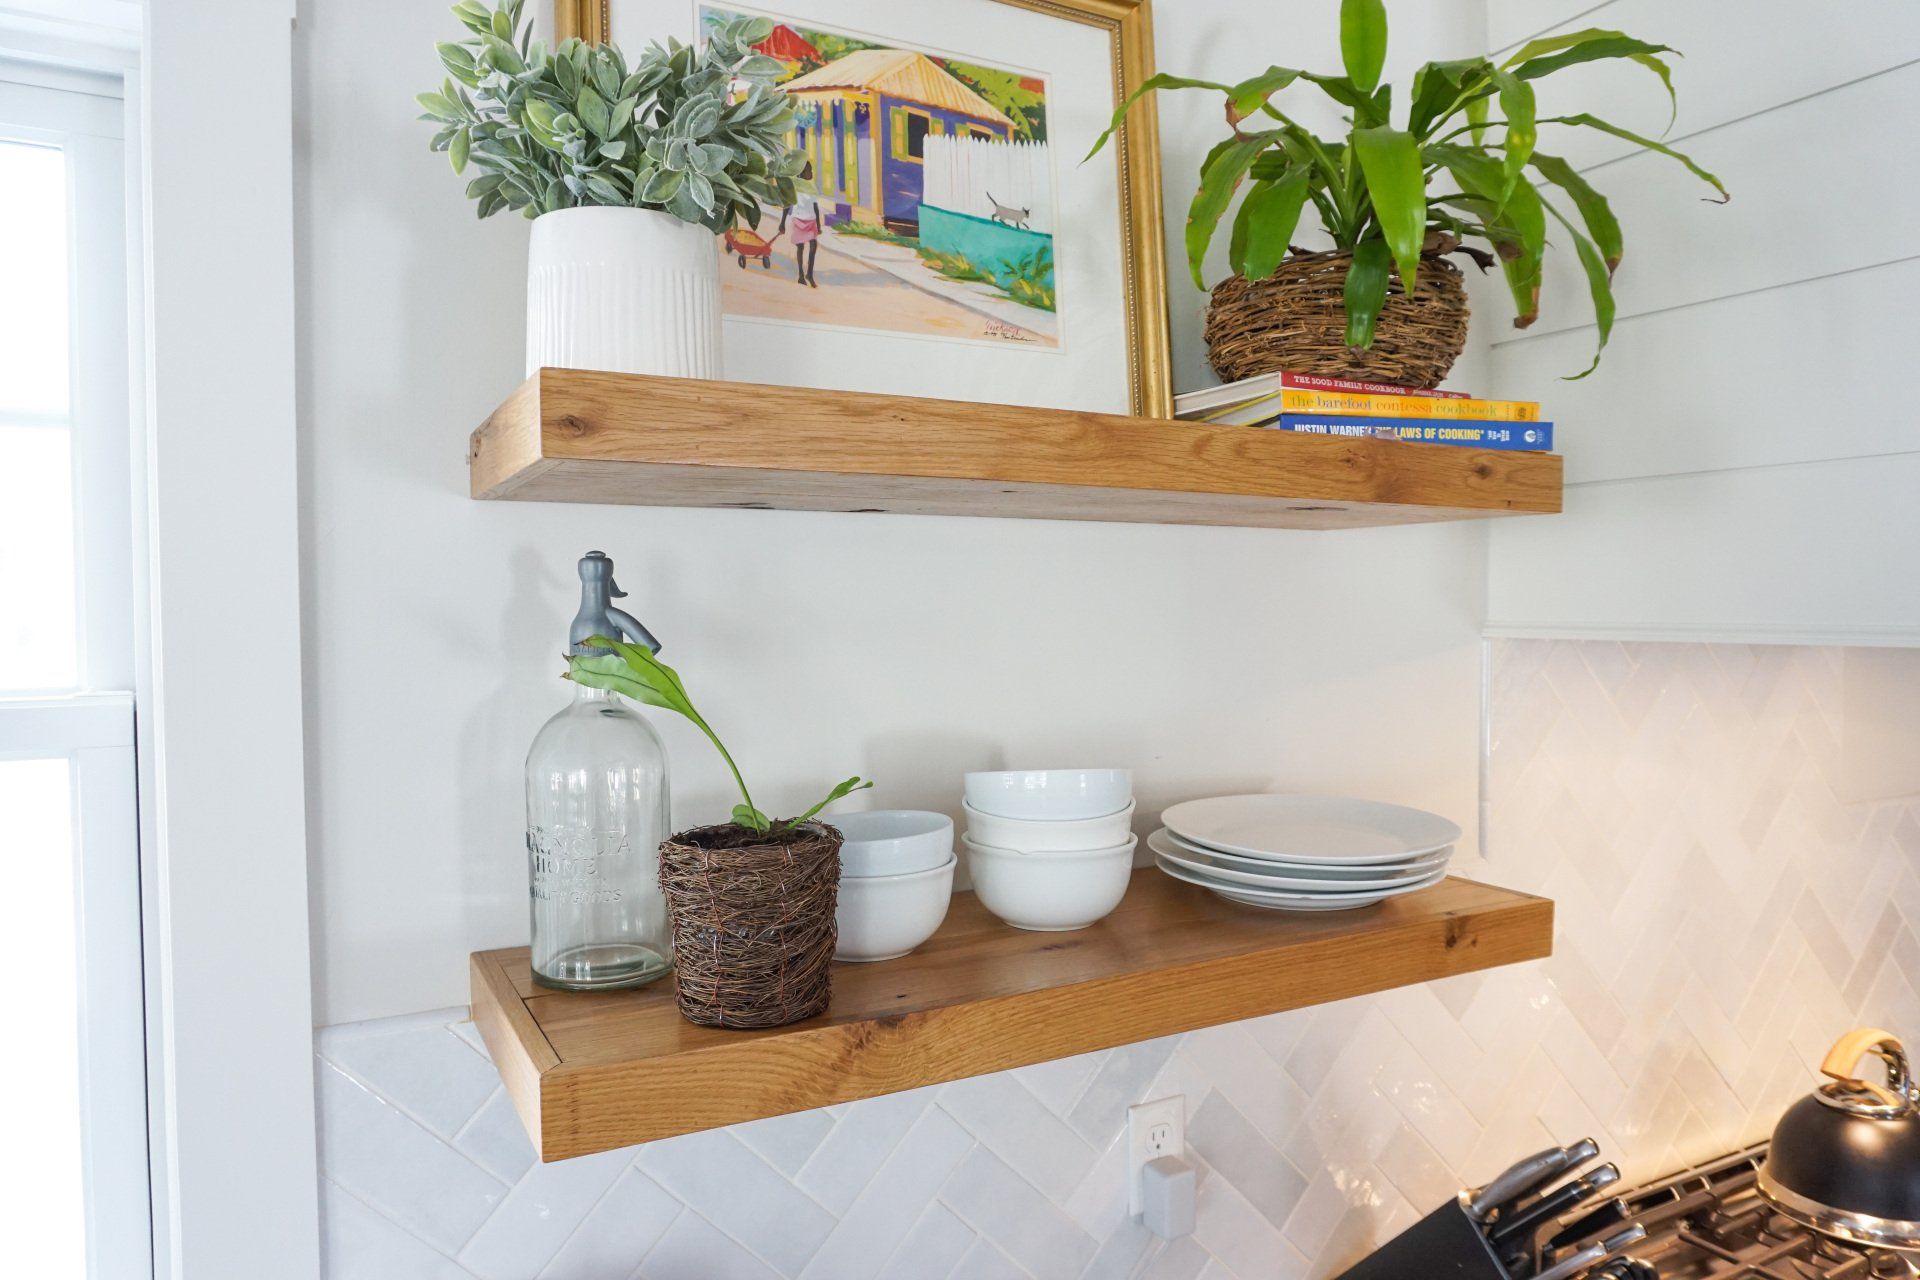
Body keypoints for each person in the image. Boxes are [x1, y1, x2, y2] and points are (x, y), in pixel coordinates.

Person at [778, 161, 821, 288]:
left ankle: (810, 274)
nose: (811, 173)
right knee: (800, 247)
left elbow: (815, 206)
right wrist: (782, 223)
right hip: (798, 219)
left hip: (811, 219)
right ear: (802, 173)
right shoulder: (794, 187)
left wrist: (818, 225)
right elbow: (787, 205)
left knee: (813, 246)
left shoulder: (811, 188)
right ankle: (801, 275)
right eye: (809, 171)